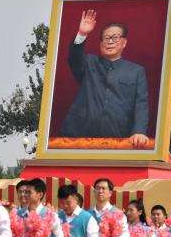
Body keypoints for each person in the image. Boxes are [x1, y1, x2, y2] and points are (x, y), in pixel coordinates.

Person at [59, 10, 149, 149]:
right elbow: (74, 58)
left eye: (115, 37)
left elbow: (141, 105)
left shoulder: (136, 71)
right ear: (101, 44)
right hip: (77, 135)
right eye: (106, 38)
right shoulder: (89, 62)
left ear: (124, 42)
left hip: (119, 138)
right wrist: (82, 34)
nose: (110, 41)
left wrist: (139, 131)